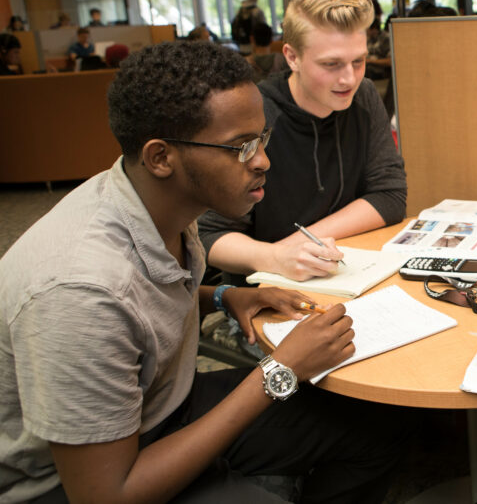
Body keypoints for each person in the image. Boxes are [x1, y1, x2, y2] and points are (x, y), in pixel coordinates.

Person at [0, 40, 410, 503]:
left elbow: (138, 297)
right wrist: (280, 371)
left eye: (262, 139)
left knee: (375, 425)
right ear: (161, 158)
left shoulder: (159, 198)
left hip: (159, 408)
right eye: (240, 147)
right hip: (74, 482)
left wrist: (222, 296)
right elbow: (106, 495)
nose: (262, 160)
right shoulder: (77, 293)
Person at [199, 0, 407, 285]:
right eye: (331, 64)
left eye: (358, 61)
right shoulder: (253, 114)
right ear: (292, 57)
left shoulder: (363, 96)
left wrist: (302, 244)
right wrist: (275, 257)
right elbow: (208, 235)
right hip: (262, 290)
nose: (349, 78)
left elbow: (390, 195)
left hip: (340, 274)